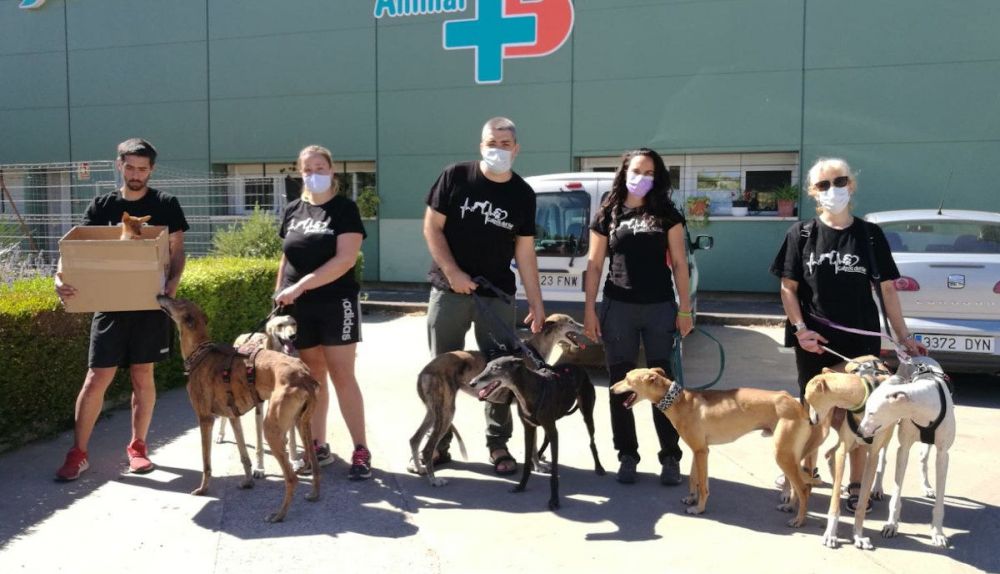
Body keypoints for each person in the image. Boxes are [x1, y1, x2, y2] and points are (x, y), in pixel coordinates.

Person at [769, 157, 926, 512]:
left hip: (861, 343)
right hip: (815, 341)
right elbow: (788, 287)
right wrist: (800, 330)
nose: (832, 190)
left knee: (860, 414)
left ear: (851, 185)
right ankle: (804, 476)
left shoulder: (869, 236)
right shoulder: (801, 234)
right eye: (823, 185)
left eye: (839, 182)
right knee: (814, 413)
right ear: (813, 192)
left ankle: (857, 485)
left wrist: (903, 338)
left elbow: (887, 290)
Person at [54, 138, 189, 481]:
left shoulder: (166, 204)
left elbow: (177, 251)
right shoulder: (101, 206)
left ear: (151, 170)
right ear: (119, 165)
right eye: (129, 167)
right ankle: (78, 452)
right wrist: (60, 278)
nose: (135, 174)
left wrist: (170, 287)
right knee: (96, 377)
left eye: (142, 168)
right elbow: (75, 249)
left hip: (149, 307)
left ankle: (138, 448)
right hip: (109, 307)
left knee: (143, 375)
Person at [419, 116, 545, 476]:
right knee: (443, 371)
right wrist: (452, 272)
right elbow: (431, 226)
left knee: (503, 370)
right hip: (449, 291)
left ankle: (498, 443)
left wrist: (535, 302)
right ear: (481, 146)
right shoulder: (456, 176)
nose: (498, 150)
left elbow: (524, 252)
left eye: (505, 144)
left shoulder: (522, 194)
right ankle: (439, 444)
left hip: (496, 295)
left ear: (516, 149)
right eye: (492, 143)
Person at [582, 148, 693, 486]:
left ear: (657, 177)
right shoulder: (608, 212)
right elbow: (595, 263)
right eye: (636, 170)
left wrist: (685, 309)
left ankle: (670, 457)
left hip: (660, 308)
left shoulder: (667, 214)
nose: (642, 177)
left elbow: (679, 263)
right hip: (618, 309)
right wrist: (590, 310)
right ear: (624, 171)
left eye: (649, 172)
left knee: (665, 386)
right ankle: (627, 455)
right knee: (622, 386)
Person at [274, 145, 372, 481]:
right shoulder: (292, 209)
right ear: (300, 173)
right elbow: (286, 258)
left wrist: (301, 287)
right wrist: (278, 297)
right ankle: (316, 445)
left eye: (319, 167)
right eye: (306, 169)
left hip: (336, 303)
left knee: (342, 375)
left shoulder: (344, 209)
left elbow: (344, 260)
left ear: (332, 172)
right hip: (298, 308)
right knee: (312, 378)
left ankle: (361, 449)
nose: (313, 174)